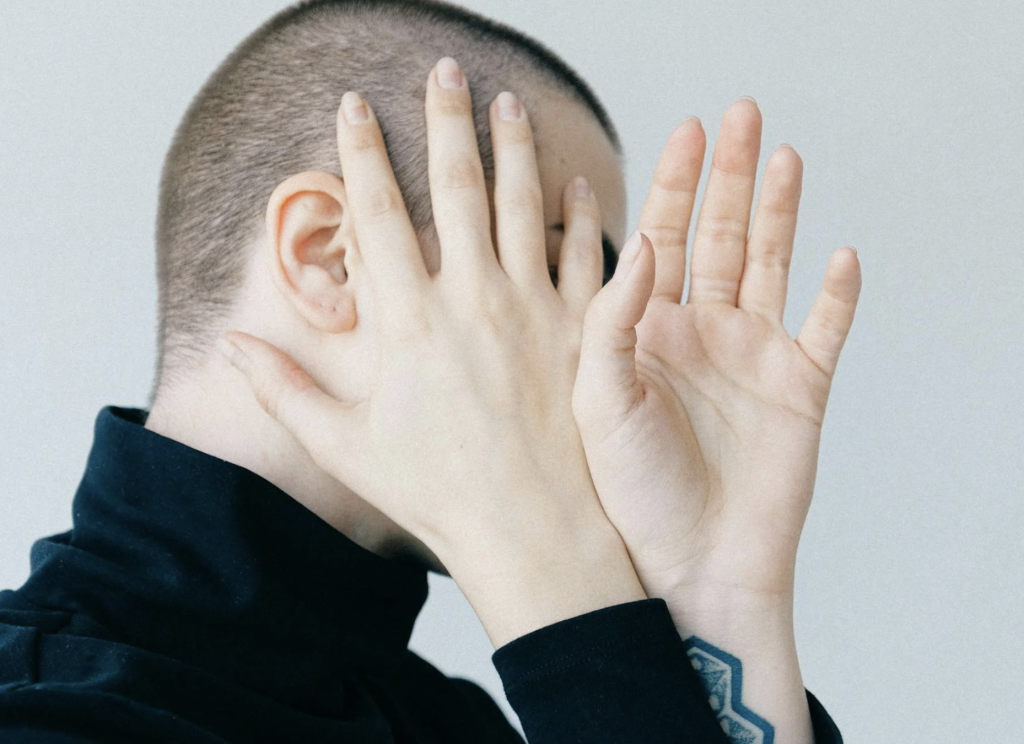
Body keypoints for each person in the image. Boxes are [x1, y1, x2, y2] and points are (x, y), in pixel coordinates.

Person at [0, 1, 860, 742]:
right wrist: (540, 543)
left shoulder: (456, 725)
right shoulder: (44, 712)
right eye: (560, 272)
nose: (615, 346)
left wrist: (719, 593)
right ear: (331, 258)